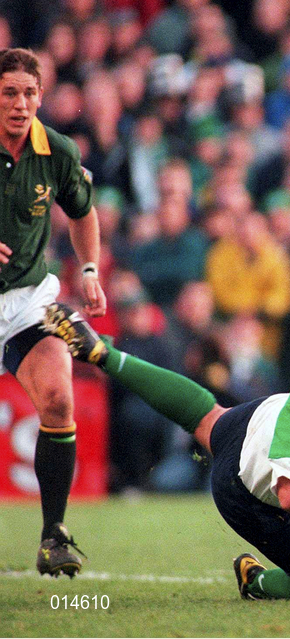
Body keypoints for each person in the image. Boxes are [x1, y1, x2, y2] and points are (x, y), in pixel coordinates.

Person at [43, 302, 290, 600]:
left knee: (205, 415)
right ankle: (257, 581)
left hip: (261, 421)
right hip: (249, 490)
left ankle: (104, 354)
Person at [0, 48, 105, 579]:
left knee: (60, 399)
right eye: (9, 93)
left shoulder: (57, 150)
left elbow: (83, 212)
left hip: (26, 300)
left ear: (41, 97)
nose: (20, 104)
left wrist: (88, 269)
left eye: (29, 93)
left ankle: (53, 535)